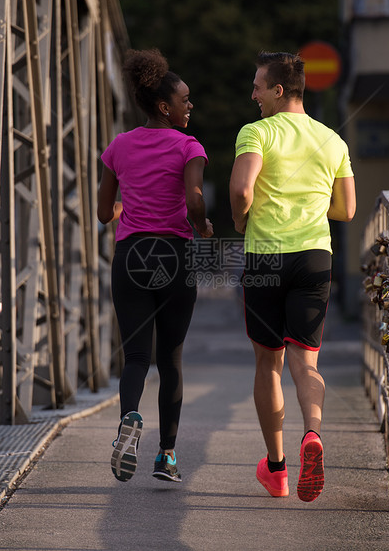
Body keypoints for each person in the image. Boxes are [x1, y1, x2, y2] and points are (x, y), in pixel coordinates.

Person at [229, 51, 356, 502]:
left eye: (258, 86)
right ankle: (313, 435)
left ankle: (278, 470)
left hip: (267, 257)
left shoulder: (256, 133)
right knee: (307, 362)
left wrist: (242, 222)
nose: (253, 94)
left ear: (278, 91)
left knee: (269, 363)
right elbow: (347, 209)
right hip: (315, 257)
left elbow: (243, 189)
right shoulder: (332, 140)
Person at [97, 48, 213, 484]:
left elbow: (103, 212)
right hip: (174, 257)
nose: (190, 105)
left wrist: (134, 204)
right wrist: (200, 224)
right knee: (171, 360)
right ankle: (166, 455)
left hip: (131, 257)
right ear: (165, 106)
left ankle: (129, 418)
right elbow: (195, 199)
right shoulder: (189, 146)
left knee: (135, 357)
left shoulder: (119, 146)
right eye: (185, 99)